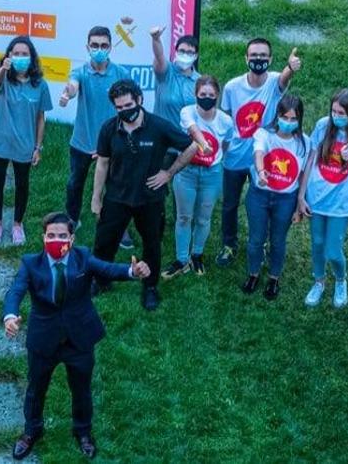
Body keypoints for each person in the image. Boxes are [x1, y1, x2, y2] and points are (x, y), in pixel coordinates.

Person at [3, 212, 150, 460]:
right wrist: (10, 316)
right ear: (43, 237)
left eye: (62, 236)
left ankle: (83, 432)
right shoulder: (31, 263)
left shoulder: (82, 257)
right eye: (51, 235)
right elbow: (15, 292)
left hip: (79, 339)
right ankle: (32, 431)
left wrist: (132, 271)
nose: (56, 240)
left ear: (71, 238)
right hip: (44, 340)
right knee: (36, 389)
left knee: (81, 389)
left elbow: (107, 269)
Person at [90, 79, 198, 310]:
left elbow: (192, 146)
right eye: (119, 108)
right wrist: (96, 198)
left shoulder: (158, 126)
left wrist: (168, 173)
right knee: (103, 243)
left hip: (150, 199)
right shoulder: (109, 128)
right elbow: (102, 163)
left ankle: (150, 287)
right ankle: (101, 279)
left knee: (152, 244)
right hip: (116, 197)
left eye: (128, 105)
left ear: (139, 100)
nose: (124, 111)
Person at [217, 39, 301, 267]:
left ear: (271, 59)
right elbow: (225, 121)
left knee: (263, 203)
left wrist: (290, 68)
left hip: (264, 159)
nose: (258, 60)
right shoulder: (232, 87)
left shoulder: (274, 81)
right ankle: (229, 244)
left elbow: (284, 79)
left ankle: (262, 243)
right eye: (254, 55)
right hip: (235, 156)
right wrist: (223, 152)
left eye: (263, 56)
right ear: (246, 58)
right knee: (230, 204)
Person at [295, 88, 348, 308]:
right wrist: (301, 197)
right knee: (317, 243)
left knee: (333, 248)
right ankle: (319, 281)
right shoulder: (323, 125)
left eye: (342, 113)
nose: (336, 116)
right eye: (334, 111)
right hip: (317, 198)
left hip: (341, 203)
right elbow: (311, 159)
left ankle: (341, 280)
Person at [59, 26, 129, 232]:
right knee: (74, 184)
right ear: (87, 47)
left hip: (112, 143)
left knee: (116, 187)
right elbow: (73, 86)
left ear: (110, 47)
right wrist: (67, 93)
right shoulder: (79, 72)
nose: (99, 49)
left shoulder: (121, 74)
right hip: (82, 141)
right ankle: (72, 219)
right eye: (95, 45)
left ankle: (118, 226)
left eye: (104, 45)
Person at [241, 93, 310, 300]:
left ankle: (273, 278)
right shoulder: (264, 134)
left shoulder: (304, 143)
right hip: (259, 195)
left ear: (299, 120)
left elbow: (304, 173)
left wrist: (300, 201)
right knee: (256, 239)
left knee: (278, 240)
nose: (288, 123)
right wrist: (262, 173)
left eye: (293, 119)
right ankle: (253, 273)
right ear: (277, 115)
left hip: (286, 199)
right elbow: (259, 152)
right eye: (285, 117)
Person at [0, 36, 52, 246]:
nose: (21, 57)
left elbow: (41, 118)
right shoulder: (3, 77)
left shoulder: (40, 85)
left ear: (32, 58)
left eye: (25, 54)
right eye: (16, 53)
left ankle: (17, 225)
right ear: (9, 56)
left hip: (25, 145)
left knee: (22, 185)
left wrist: (37, 147)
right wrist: (3, 68)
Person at [163, 75, 232, 278]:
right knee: (184, 217)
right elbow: (193, 130)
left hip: (212, 173)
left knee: (204, 218)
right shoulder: (187, 112)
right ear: (196, 95)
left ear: (217, 96)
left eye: (211, 95)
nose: (207, 98)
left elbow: (226, 144)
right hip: (187, 172)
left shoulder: (226, 121)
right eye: (203, 94)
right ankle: (181, 259)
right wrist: (204, 144)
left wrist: (216, 157)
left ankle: (197, 254)